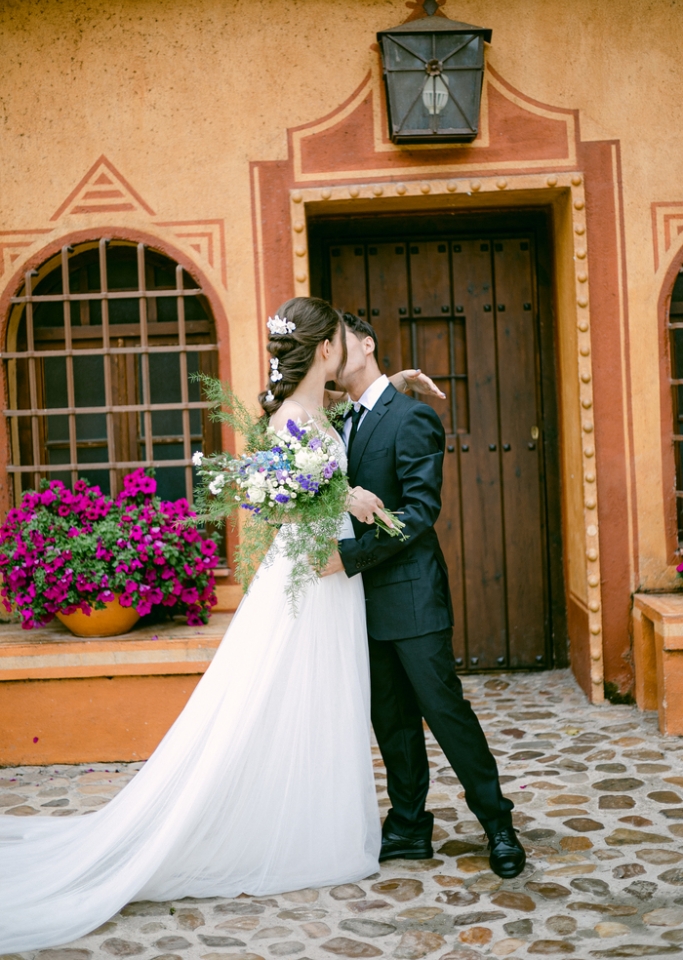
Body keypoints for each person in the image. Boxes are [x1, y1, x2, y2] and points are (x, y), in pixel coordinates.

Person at [0, 297, 442, 954]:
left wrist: (397, 384)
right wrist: (344, 496)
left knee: (318, 699)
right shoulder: (296, 415)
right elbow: (294, 506)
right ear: (324, 349)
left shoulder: (312, 408)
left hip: (326, 578)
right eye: (341, 341)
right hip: (315, 577)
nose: (350, 349)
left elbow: (350, 430)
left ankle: (313, 813)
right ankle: (308, 829)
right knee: (296, 696)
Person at [322, 312, 526, 880]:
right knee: (389, 718)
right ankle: (410, 826)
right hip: (357, 603)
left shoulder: (412, 417)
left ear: (365, 344)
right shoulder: (336, 419)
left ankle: (498, 824)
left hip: (411, 595)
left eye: (333, 343)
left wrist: (349, 558)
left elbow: (419, 513)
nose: (325, 355)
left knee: (445, 713)